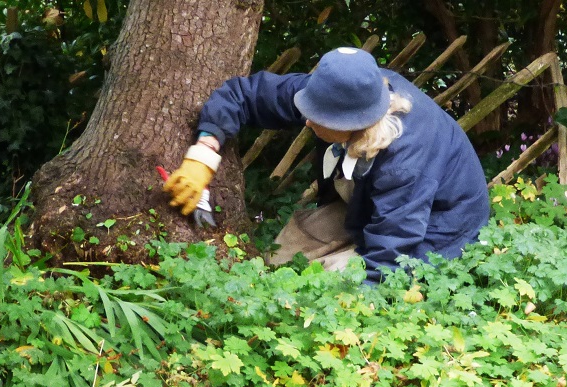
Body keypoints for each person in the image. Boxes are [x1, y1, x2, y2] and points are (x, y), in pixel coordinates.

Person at [163, 47, 491, 284]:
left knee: (329, 286)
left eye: (316, 118)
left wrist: (357, 292)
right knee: (280, 256)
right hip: (368, 195)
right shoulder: (340, 91)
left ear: (353, 123)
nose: (305, 122)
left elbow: (391, 256)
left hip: (439, 225)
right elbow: (244, 94)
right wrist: (204, 153)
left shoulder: (405, 162)